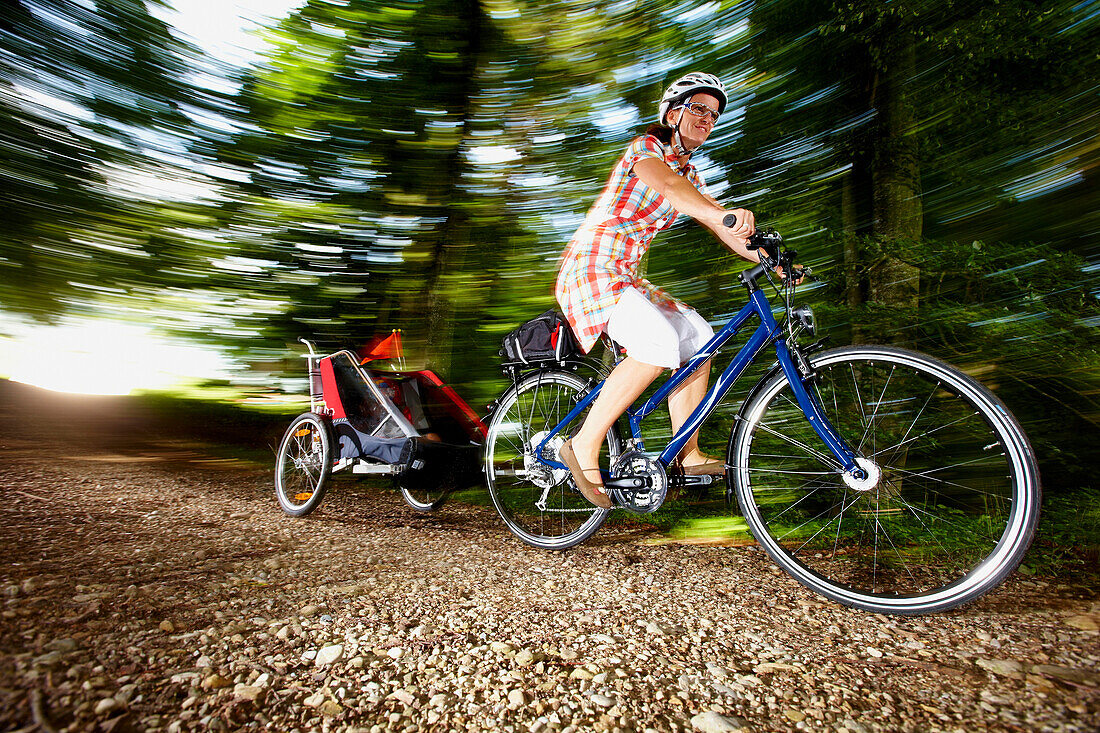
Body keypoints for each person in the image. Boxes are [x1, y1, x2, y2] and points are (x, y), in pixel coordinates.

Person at [555, 71, 764, 509]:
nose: (707, 119)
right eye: (699, 109)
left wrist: (770, 260)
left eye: (714, 114)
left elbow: (717, 223)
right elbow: (670, 188)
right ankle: (582, 444)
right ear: (673, 114)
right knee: (657, 345)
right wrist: (724, 214)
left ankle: (687, 454)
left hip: (626, 275)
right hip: (590, 266)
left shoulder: (692, 175)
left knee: (701, 341)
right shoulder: (646, 149)